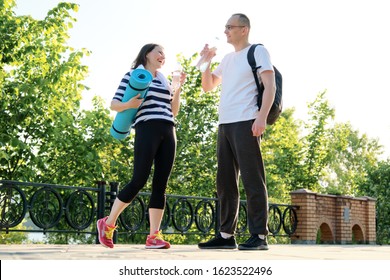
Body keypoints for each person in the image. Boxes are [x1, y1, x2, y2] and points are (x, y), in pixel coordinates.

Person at [197, 13, 275, 250]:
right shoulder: (228, 59)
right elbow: (208, 86)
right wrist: (206, 62)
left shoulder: (258, 51)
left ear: (244, 29)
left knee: (253, 179)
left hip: (247, 120)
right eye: (225, 27)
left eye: (230, 27)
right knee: (225, 182)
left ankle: (259, 236)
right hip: (225, 124)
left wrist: (261, 116)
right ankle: (225, 235)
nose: (226, 31)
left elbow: (270, 86)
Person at [97, 43, 186, 249]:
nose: (163, 56)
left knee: (161, 184)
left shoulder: (165, 81)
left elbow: (174, 111)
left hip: (168, 129)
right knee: (138, 179)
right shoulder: (133, 76)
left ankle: (154, 236)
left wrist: (178, 89)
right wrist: (130, 105)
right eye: (159, 52)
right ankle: (107, 224)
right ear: (147, 54)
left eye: (165, 54)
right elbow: (114, 104)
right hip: (147, 128)